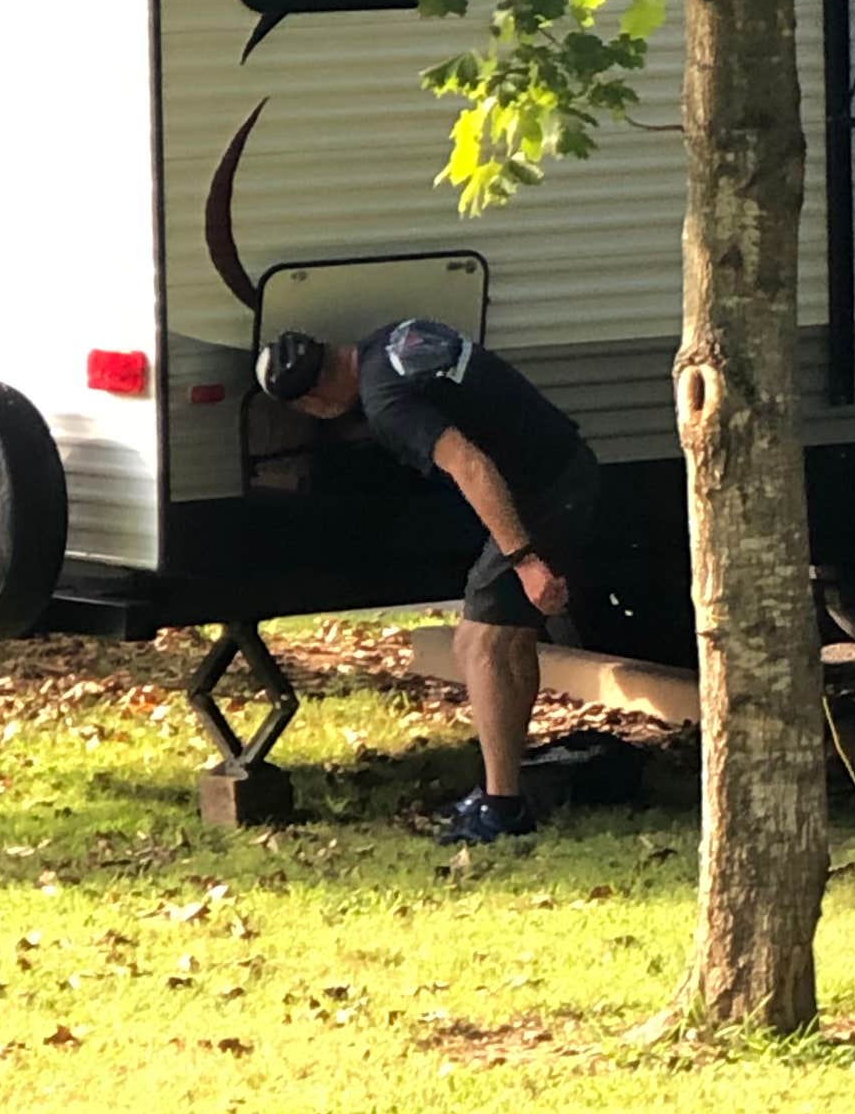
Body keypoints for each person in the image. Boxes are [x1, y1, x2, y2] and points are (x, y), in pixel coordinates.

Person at [255, 320, 598, 843]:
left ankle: (503, 811)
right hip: (558, 463)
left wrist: (526, 559)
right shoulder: (394, 336)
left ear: (315, 401)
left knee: (483, 642)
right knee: (499, 636)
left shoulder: (384, 403)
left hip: (546, 488)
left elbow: (469, 465)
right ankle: (501, 792)